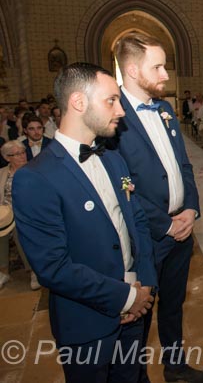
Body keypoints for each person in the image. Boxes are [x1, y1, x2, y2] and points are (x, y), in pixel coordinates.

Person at [13, 62, 157, 382]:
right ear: (78, 102)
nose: (121, 111)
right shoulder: (35, 177)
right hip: (87, 323)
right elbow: (53, 267)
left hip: (136, 310)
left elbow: (137, 223)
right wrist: (126, 297)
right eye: (111, 101)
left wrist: (145, 283)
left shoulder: (113, 159)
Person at [113, 33, 203, 383]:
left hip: (180, 230)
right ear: (131, 70)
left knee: (173, 304)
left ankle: (175, 366)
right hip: (147, 236)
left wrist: (190, 209)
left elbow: (183, 165)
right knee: (138, 314)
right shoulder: (114, 116)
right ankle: (137, 376)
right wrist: (165, 224)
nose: (166, 74)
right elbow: (121, 186)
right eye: (157, 67)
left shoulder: (166, 110)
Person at [0, 141, 39, 290]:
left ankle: (33, 271)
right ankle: (3, 271)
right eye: (17, 154)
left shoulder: (34, 169)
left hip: (27, 213)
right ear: (7, 157)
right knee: (1, 230)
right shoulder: (2, 173)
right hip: (5, 213)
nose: (22, 156)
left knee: (18, 230)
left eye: (23, 152)